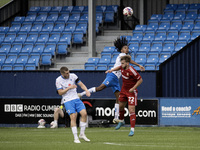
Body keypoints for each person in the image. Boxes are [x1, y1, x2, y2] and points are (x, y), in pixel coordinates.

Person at [79, 37, 145, 123]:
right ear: (121, 50)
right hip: (112, 76)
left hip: (116, 79)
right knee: (100, 88)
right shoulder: (122, 55)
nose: (127, 49)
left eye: (127, 48)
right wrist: (139, 65)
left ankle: (116, 117)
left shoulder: (124, 57)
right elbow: (130, 60)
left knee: (119, 98)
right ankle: (81, 94)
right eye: (125, 48)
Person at [106, 55, 143, 136]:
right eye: (121, 63)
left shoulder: (132, 70)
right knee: (121, 106)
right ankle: (122, 121)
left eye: (123, 63)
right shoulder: (122, 67)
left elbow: (140, 80)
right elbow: (119, 67)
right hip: (123, 90)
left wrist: (133, 88)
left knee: (131, 110)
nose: (121, 65)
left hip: (131, 91)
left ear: (127, 63)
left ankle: (132, 129)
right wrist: (111, 70)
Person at [56, 66, 91, 143]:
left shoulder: (73, 76)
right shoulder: (58, 80)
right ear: (62, 73)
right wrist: (69, 87)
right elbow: (60, 92)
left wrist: (86, 90)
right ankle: (75, 138)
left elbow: (81, 84)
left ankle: (82, 134)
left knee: (84, 114)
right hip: (67, 100)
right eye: (66, 73)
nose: (68, 74)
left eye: (68, 72)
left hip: (76, 98)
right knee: (73, 116)